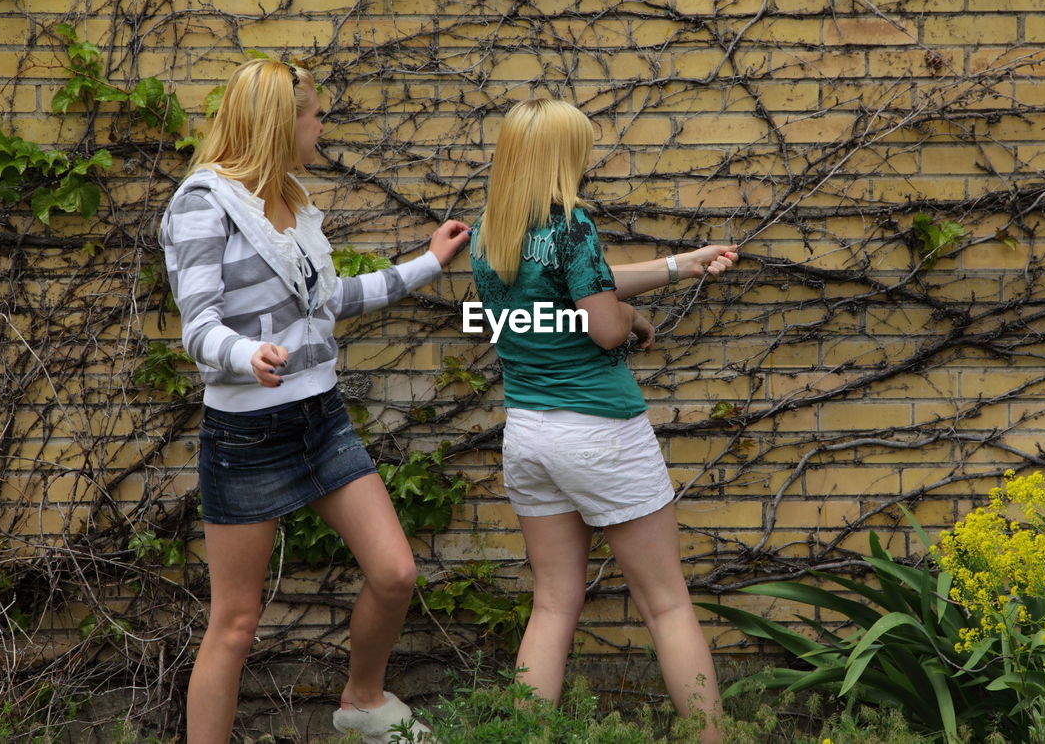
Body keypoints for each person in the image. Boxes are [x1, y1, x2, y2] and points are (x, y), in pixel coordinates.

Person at [160, 58, 469, 744]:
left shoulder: (291, 203)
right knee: (235, 623)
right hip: (246, 436)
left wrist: (427, 263)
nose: (322, 125)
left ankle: (361, 703)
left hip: (320, 419)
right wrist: (247, 354)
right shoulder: (203, 203)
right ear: (280, 122)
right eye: (315, 114)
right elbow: (199, 325)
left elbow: (331, 301)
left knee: (395, 572)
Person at [469, 98, 738, 744]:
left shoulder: (492, 231)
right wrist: (634, 323)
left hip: (529, 433)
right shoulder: (571, 226)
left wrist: (680, 264)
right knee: (665, 602)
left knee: (553, 602)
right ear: (564, 154)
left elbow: (573, 288)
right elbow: (601, 319)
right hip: (597, 433)